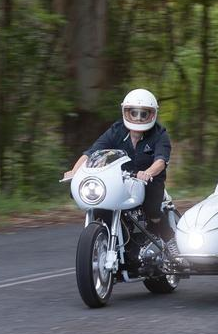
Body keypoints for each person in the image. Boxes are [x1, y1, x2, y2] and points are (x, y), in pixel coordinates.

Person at [63, 88, 172, 237]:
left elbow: (160, 161)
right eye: (134, 112)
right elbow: (91, 153)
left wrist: (147, 173)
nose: (138, 118)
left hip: (149, 180)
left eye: (144, 113)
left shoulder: (159, 134)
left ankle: (170, 241)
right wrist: (75, 171)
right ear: (125, 112)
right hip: (120, 179)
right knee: (102, 206)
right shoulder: (116, 130)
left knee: (152, 211)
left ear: (152, 114)